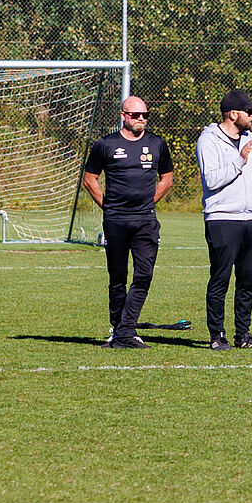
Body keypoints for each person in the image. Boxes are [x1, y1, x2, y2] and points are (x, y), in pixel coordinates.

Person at [83, 95, 175, 350]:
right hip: (116, 221)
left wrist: (149, 201)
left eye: (145, 115)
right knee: (118, 277)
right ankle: (120, 331)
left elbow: (167, 177)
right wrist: (109, 206)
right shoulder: (105, 144)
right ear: (123, 115)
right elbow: (89, 179)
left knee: (144, 275)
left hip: (146, 220)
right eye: (136, 115)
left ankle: (125, 330)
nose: (141, 119)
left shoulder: (157, 143)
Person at [196, 89, 252, 350]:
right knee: (220, 280)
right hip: (222, 218)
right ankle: (217, 335)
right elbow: (212, 180)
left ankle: (244, 335)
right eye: (248, 111)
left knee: (248, 280)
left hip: (251, 218)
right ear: (233, 114)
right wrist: (240, 161)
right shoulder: (208, 140)